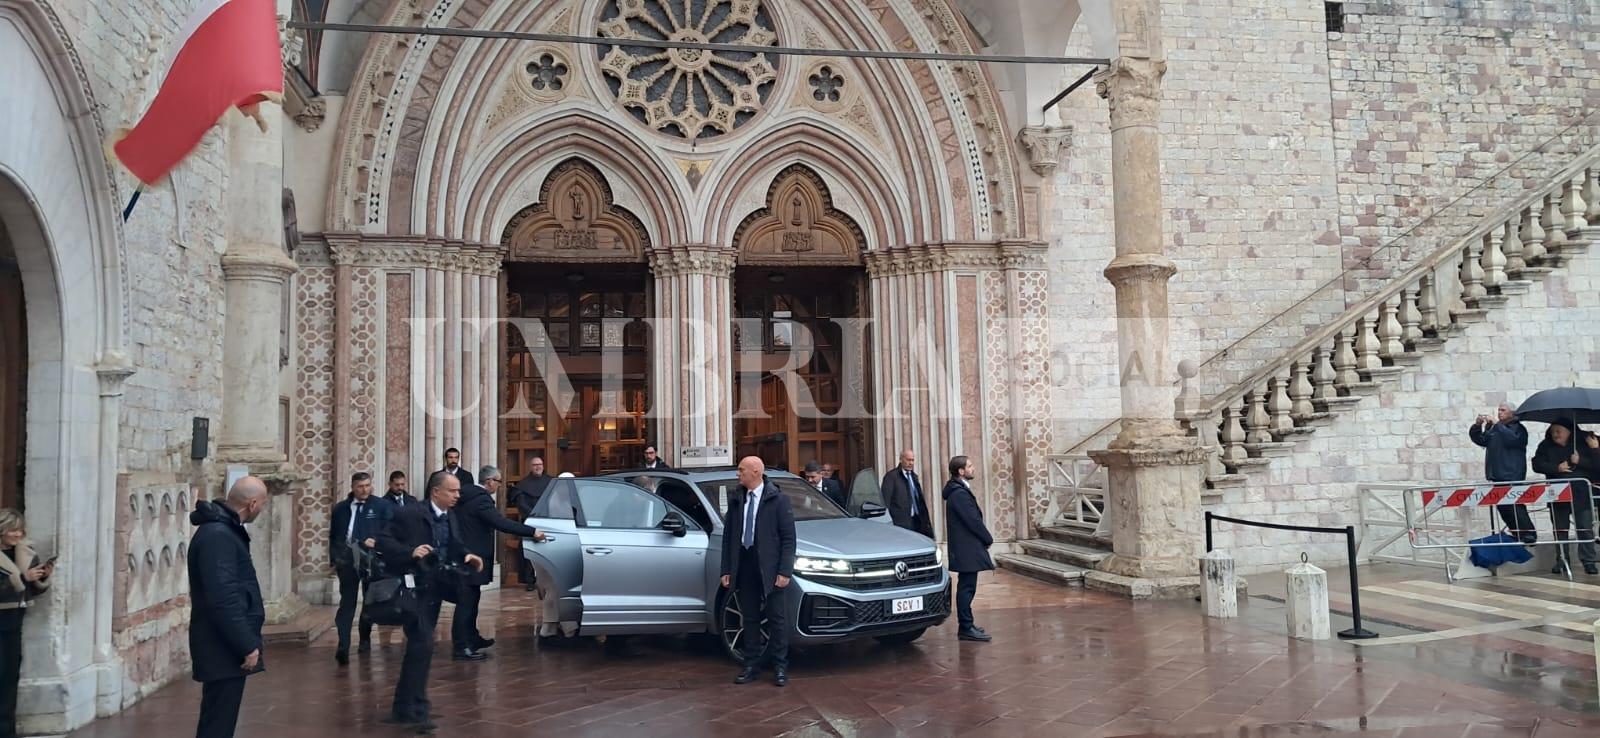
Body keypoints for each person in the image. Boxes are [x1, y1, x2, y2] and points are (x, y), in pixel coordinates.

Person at [375, 471, 483, 734]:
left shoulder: (450, 516)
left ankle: (403, 707)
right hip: (415, 589)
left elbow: (454, 543)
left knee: (419, 646)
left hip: (437, 588)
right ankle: (418, 710)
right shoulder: (410, 513)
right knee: (423, 644)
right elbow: (384, 541)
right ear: (436, 492)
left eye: (458, 491)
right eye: (453, 491)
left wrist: (468, 555)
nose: (458, 495)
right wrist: (409, 552)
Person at [187, 477, 269, 738]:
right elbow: (223, 597)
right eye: (262, 504)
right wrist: (246, 643)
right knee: (218, 722)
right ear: (252, 503)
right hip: (221, 643)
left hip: (222, 642)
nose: (261, 510)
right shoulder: (218, 535)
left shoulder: (222, 530)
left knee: (220, 717)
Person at [451, 466, 543, 660]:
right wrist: (531, 531)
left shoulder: (466, 494)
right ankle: (461, 647)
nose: (500, 486)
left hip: (466, 554)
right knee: (466, 603)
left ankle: (472, 637)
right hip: (473, 557)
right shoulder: (481, 499)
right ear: (490, 481)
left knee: (472, 600)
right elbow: (500, 522)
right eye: (499, 482)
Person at [720, 456, 796, 687]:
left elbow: (788, 539)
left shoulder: (778, 499)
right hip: (745, 563)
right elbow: (729, 537)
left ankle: (780, 666)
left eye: (741, 470)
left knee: (777, 619)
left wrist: (784, 571)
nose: (738, 474)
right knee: (750, 617)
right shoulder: (737, 499)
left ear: (755, 472)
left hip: (770, 567)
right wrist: (727, 569)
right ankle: (751, 664)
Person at [329, 472, 393, 664]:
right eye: (360, 486)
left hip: (371, 561)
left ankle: (365, 638)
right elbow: (334, 536)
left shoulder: (381, 506)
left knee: (369, 601)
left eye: (367, 485)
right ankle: (344, 644)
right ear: (353, 487)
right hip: (348, 560)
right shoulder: (340, 509)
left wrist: (378, 542)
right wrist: (335, 560)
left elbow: (391, 530)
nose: (364, 489)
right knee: (347, 602)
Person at [0, 509, 51, 738]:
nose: (17, 534)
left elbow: (33, 590)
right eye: (13, 529)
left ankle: (7, 732)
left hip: (14, 623)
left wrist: (42, 577)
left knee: (10, 681)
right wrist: (22, 579)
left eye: (20, 529)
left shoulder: (25, 552)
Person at [1532, 420, 1600, 575]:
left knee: (1584, 528)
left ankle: (1588, 561)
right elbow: (1537, 464)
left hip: (1581, 493)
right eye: (1553, 431)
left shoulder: (1584, 442)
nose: (1555, 434)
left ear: (1569, 432)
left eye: (1559, 431)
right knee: (1560, 528)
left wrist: (1580, 461)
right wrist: (1556, 468)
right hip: (1557, 493)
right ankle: (1562, 560)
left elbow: (1597, 466)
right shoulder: (1545, 446)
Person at [942, 456, 994, 642]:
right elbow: (973, 520)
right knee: (966, 588)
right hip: (966, 548)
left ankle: (967, 624)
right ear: (960, 471)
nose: (973, 468)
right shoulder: (959, 494)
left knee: (967, 587)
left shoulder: (959, 491)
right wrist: (987, 537)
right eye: (969, 466)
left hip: (966, 547)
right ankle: (965, 626)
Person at [1470, 402, 1534, 544]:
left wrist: (1497, 425)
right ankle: (1516, 532)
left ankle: (1528, 532)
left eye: (1503, 410)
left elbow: (1513, 440)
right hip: (1497, 474)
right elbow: (1482, 440)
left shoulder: (1519, 429)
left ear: (1512, 413)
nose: (1500, 413)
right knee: (1503, 506)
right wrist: (1477, 426)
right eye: (1498, 410)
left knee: (1515, 504)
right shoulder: (1496, 429)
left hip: (1512, 473)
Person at [510, 457, 550, 591]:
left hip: (548, 521)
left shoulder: (551, 482)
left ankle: (547, 581)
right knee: (529, 552)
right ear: (531, 467)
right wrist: (533, 516)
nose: (538, 467)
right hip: (529, 521)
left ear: (543, 466)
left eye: (540, 464)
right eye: (535, 465)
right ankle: (530, 580)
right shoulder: (523, 485)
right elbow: (521, 504)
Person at [881, 449, 933, 537]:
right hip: (899, 523)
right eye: (908, 460)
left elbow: (919, 501)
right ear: (901, 459)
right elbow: (885, 502)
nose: (911, 463)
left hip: (916, 522)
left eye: (912, 460)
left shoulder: (914, 477)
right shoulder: (891, 477)